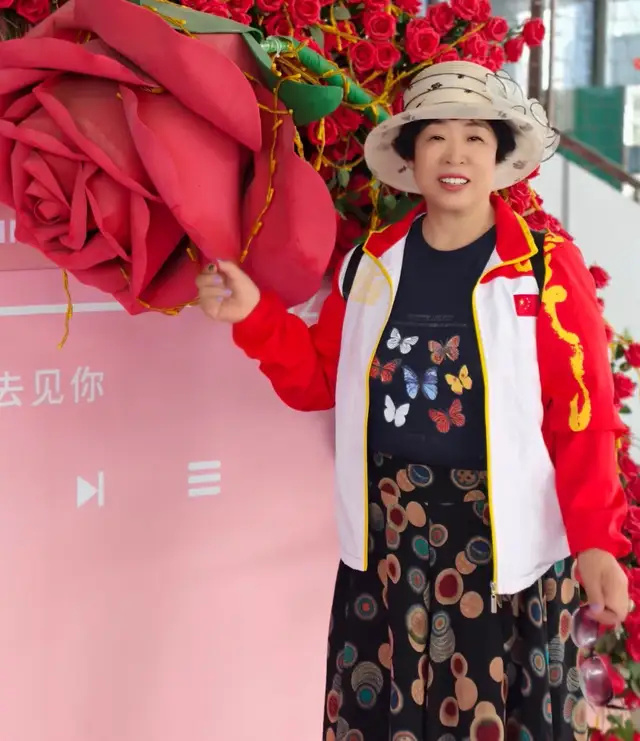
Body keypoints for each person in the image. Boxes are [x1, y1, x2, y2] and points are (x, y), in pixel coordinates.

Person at [196, 61, 631, 741]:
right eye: (436, 138)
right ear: (410, 155)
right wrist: (254, 316)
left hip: (503, 549)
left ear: (499, 157)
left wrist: (597, 543)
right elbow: (318, 380)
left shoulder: (544, 269)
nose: (455, 156)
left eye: (475, 139)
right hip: (391, 544)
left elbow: (582, 417)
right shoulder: (369, 264)